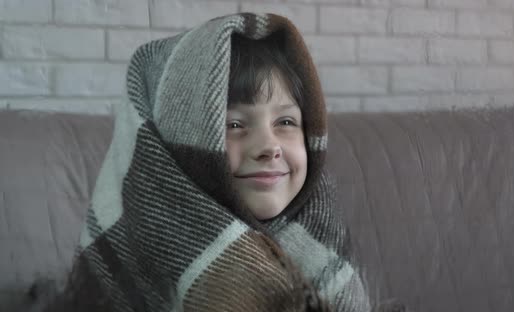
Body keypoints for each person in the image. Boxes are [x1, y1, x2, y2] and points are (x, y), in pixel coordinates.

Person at [45, 12, 370, 311]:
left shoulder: (320, 233)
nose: (269, 147)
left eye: (285, 123)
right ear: (178, 149)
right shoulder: (138, 266)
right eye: (234, 125)